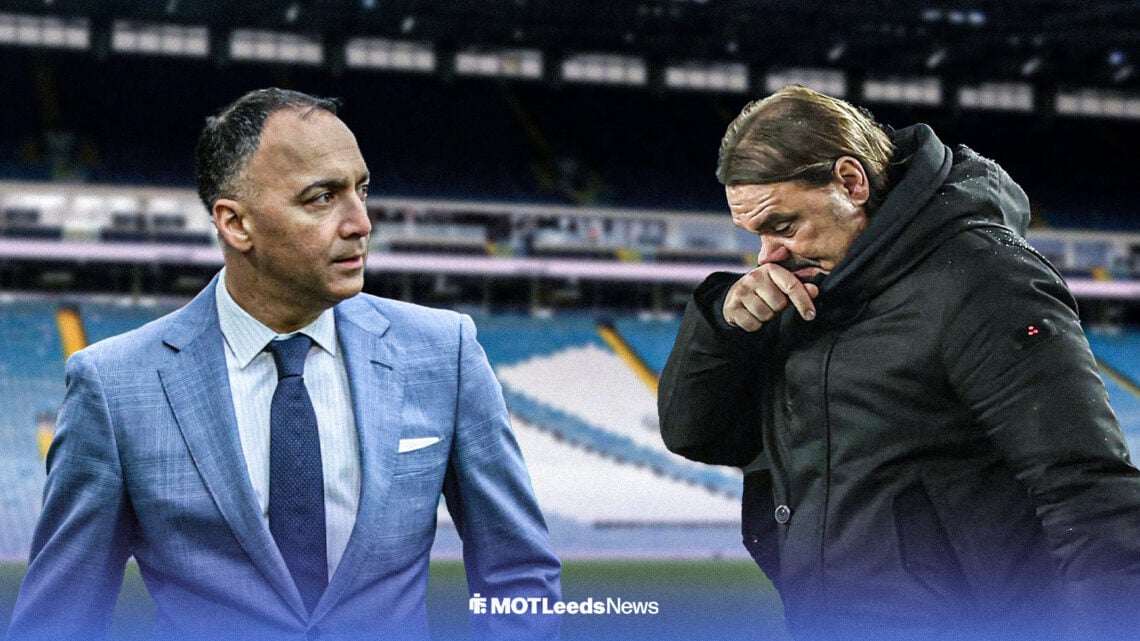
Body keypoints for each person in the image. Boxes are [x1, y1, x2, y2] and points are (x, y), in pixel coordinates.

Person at [7, 88, 561, 641]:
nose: (360, 223)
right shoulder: (114, 386)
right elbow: (61, 616)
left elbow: (518, 573)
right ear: (236, 224)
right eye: (322, 197)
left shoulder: (446, 352)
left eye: (361, 190)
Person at [657, 85, 1140, 641]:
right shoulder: (812, 288)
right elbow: (698, 436)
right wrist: (723, 328)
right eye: (757, 234)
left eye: (784, 225)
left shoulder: (984, 280)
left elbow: (1086, 488)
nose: (768, 254)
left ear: (850, 181)